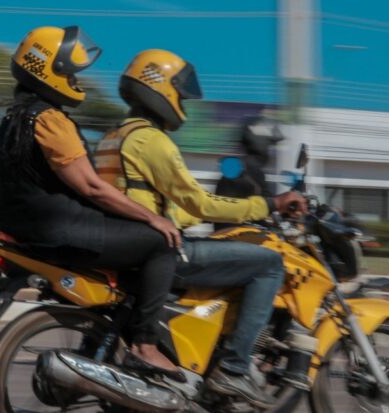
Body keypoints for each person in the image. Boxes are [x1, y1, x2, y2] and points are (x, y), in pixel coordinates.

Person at [95, 49, 307, 409]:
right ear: (159, 89)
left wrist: (203, 215)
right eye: (179, 94)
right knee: (268, 263)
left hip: (126, 242)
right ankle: (235, 370)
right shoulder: (152, 141)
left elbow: (158, 203)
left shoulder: (112, 136)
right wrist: (272, 204)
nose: (183, 103)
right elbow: (200, 203)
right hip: (156, 249)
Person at [0, 27, 184, 377]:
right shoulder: (50, 120)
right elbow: (92, 188)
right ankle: (145, 344)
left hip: (26, 227)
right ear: (49, 72)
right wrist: (153, 219)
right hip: (60, 231)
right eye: (71, 72)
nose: (77, 80)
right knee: (159, 244)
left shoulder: (13, 118)